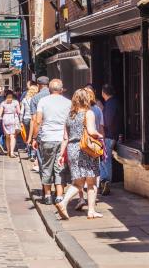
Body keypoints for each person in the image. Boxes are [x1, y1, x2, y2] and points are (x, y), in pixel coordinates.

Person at [56, 89, 104, 220]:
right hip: (86, 149)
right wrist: (100, 136)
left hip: (72, 149)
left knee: (78, 182)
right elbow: (91, 131)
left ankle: (64, 202)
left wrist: (61, 155)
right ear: (86, 99)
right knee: (91, 181)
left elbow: (65, 137)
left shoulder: (70, 116)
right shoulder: (88, 113)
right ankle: (91, 211)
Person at [30, 78, 71, 205]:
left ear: (50, 89)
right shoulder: (68, 102)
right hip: (62, 139)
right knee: (60, 167)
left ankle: (47, 195)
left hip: (47, 137)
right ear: (61, 89)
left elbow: (38, 121)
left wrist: (35, 138)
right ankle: (59, 196)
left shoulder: (43, 101)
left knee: (46, 166)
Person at [101, 84, 120, 195]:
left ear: (104, 93)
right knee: (104, 159)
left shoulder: (110, 104)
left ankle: (106, 180)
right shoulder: (114, 102)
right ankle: (105, 180)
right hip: (113, 135)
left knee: (105, 159)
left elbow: (108, 121)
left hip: (109, 135)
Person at [0, 90, 22, 158]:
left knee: (7, 136)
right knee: (13, 136)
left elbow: (0, 113)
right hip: (13, 118)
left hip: (5, 119)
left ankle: (8, 151)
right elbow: (19, 112)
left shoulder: (3, 103)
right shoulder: (15, 102)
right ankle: (12, 152)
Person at [22, 84, 39, 160]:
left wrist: (20, 120)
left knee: (28, 136)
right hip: (34, 119)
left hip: (26, 119)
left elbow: (22, 111)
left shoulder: (24, 99)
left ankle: (29, 153)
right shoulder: (36, 100)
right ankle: (33, 154)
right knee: (34, 136)